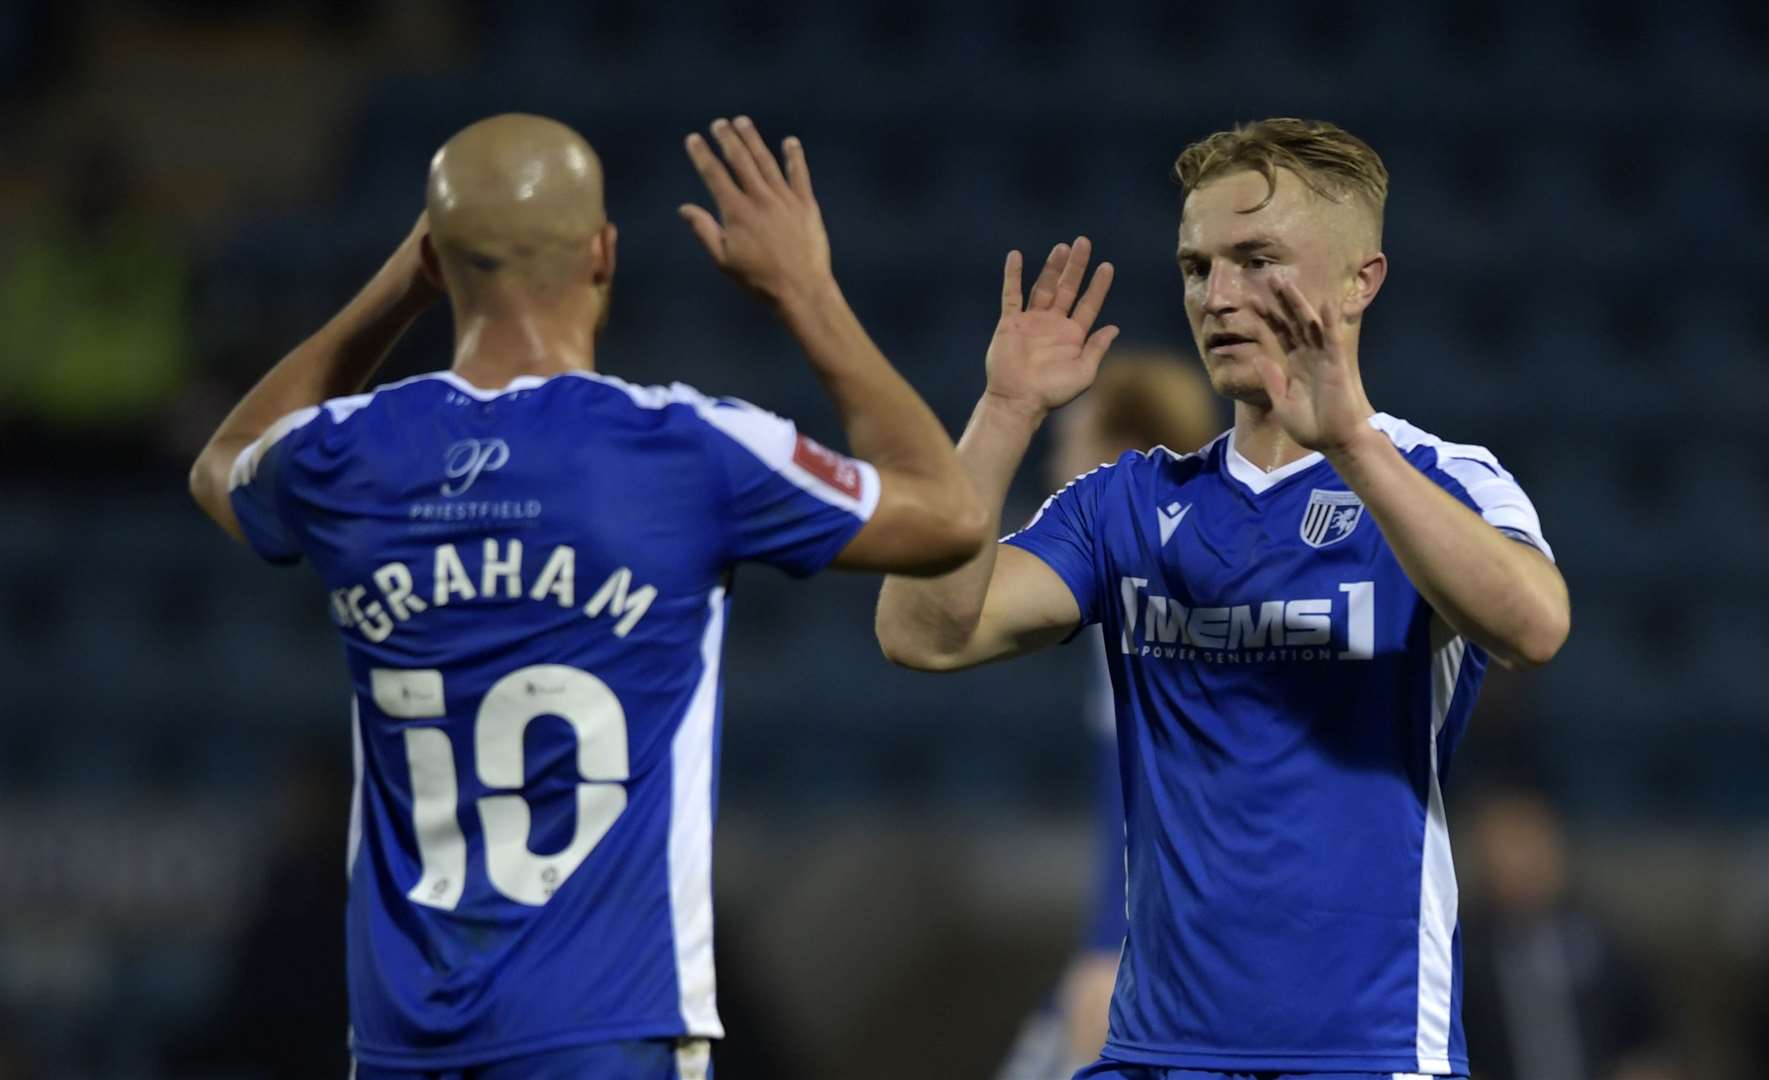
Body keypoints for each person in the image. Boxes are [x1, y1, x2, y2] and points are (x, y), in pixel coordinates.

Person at [188, 113, 990, 1079]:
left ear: (438, 260)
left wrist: (400, 286)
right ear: (603, 252)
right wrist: (805, 290)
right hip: (606, 1030)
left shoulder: (351, 454)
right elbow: (947, 514)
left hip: (405, 1046)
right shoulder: (684, 450)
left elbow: (223, 461)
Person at [876, 118, 1571, 1079]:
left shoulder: (1444, 481)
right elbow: (920, 633)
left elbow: (1534, 626)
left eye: (1256, 259)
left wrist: (1354, 445)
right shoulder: (1125, 504)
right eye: (1197, 266)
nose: (1218, 295)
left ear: (1358, 281)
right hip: (1153, 1052)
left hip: (1367, 1051)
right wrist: (1003, 414)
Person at [995, 355, 1223, 1080]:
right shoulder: (1128, 564)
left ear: (1119, 453)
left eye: (1071, 440)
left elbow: (1173, 782)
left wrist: (1112, 946)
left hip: (1190, 939)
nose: (1054, 460)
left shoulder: (1171, 575)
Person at [1459, 788, 1677, 1080]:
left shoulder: (1603, 945)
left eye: (1533, 844)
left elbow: (1649, 1046)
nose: (1524, 864)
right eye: (1510, 847)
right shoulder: (1463, 960)